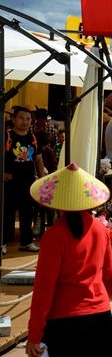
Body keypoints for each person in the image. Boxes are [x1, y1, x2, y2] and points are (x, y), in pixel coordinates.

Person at [25, 164, 112, 357]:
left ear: (58, 203)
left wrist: (34, 334)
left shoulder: (53, 236)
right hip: (100, 319)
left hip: (63, 325)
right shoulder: (102, 230)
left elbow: (43, 290)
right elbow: (108, 273)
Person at [5, 107, 46, 253]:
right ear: (14, 119)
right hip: (9, 182)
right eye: (21, 118)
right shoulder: (6, 136)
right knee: (7, 213)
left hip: (28, 182)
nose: (25, 121)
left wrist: (42, 180)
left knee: (27, 212)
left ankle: (26, 242)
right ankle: (3, 242)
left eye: (28, 119)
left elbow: (39, 160)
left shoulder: (33, 138)